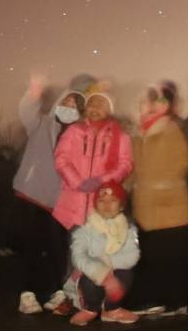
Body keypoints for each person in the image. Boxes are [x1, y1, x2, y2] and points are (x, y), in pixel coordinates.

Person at [12, 73, 91, 315]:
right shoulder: (42, 123)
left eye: (75, 105)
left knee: (57, 247)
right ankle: (27, 294)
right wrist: (33, 92)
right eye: (66, 102)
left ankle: (58, 292)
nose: (69, 108)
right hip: (33, 193)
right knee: (32, 245)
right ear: (59, 102)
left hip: (58, 199)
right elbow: (26, 111)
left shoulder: (79, 134)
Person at [128, 81, 188, 316]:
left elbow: (185, 160)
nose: (146, 107)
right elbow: (132, 168)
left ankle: (179, 300)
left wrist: (164, 183)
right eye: (143, 103)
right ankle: (162, 298)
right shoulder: (138, 134)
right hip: (146, 206)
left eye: (151, 102)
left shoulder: (171, 128)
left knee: (173, 252)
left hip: (170, 204)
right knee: (155, 254)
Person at [52, 83, 134, 235]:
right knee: (73, 253)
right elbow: (60, 159)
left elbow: (125, 165)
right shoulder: (74, 131)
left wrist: (101, 181)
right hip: (71, 205)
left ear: (110, 109)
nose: (94, 108)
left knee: (97, 255)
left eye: (100, 104)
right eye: (91, 103)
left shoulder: (120, 136)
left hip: (101, 207)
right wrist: (77, 182)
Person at [65, 182, 141, 326]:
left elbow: (132, 255)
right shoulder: (85, 228)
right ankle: (90, 308)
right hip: (90, 274)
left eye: (113, 201)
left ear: (121, 206)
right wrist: (102, 272)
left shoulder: (128, 229)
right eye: (101, 201)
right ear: (95, 204)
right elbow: (78, 256)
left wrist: (109, 267)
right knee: (88, 279)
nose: (107, 205)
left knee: (126, 274)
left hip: (115, 277)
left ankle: (111, 308)